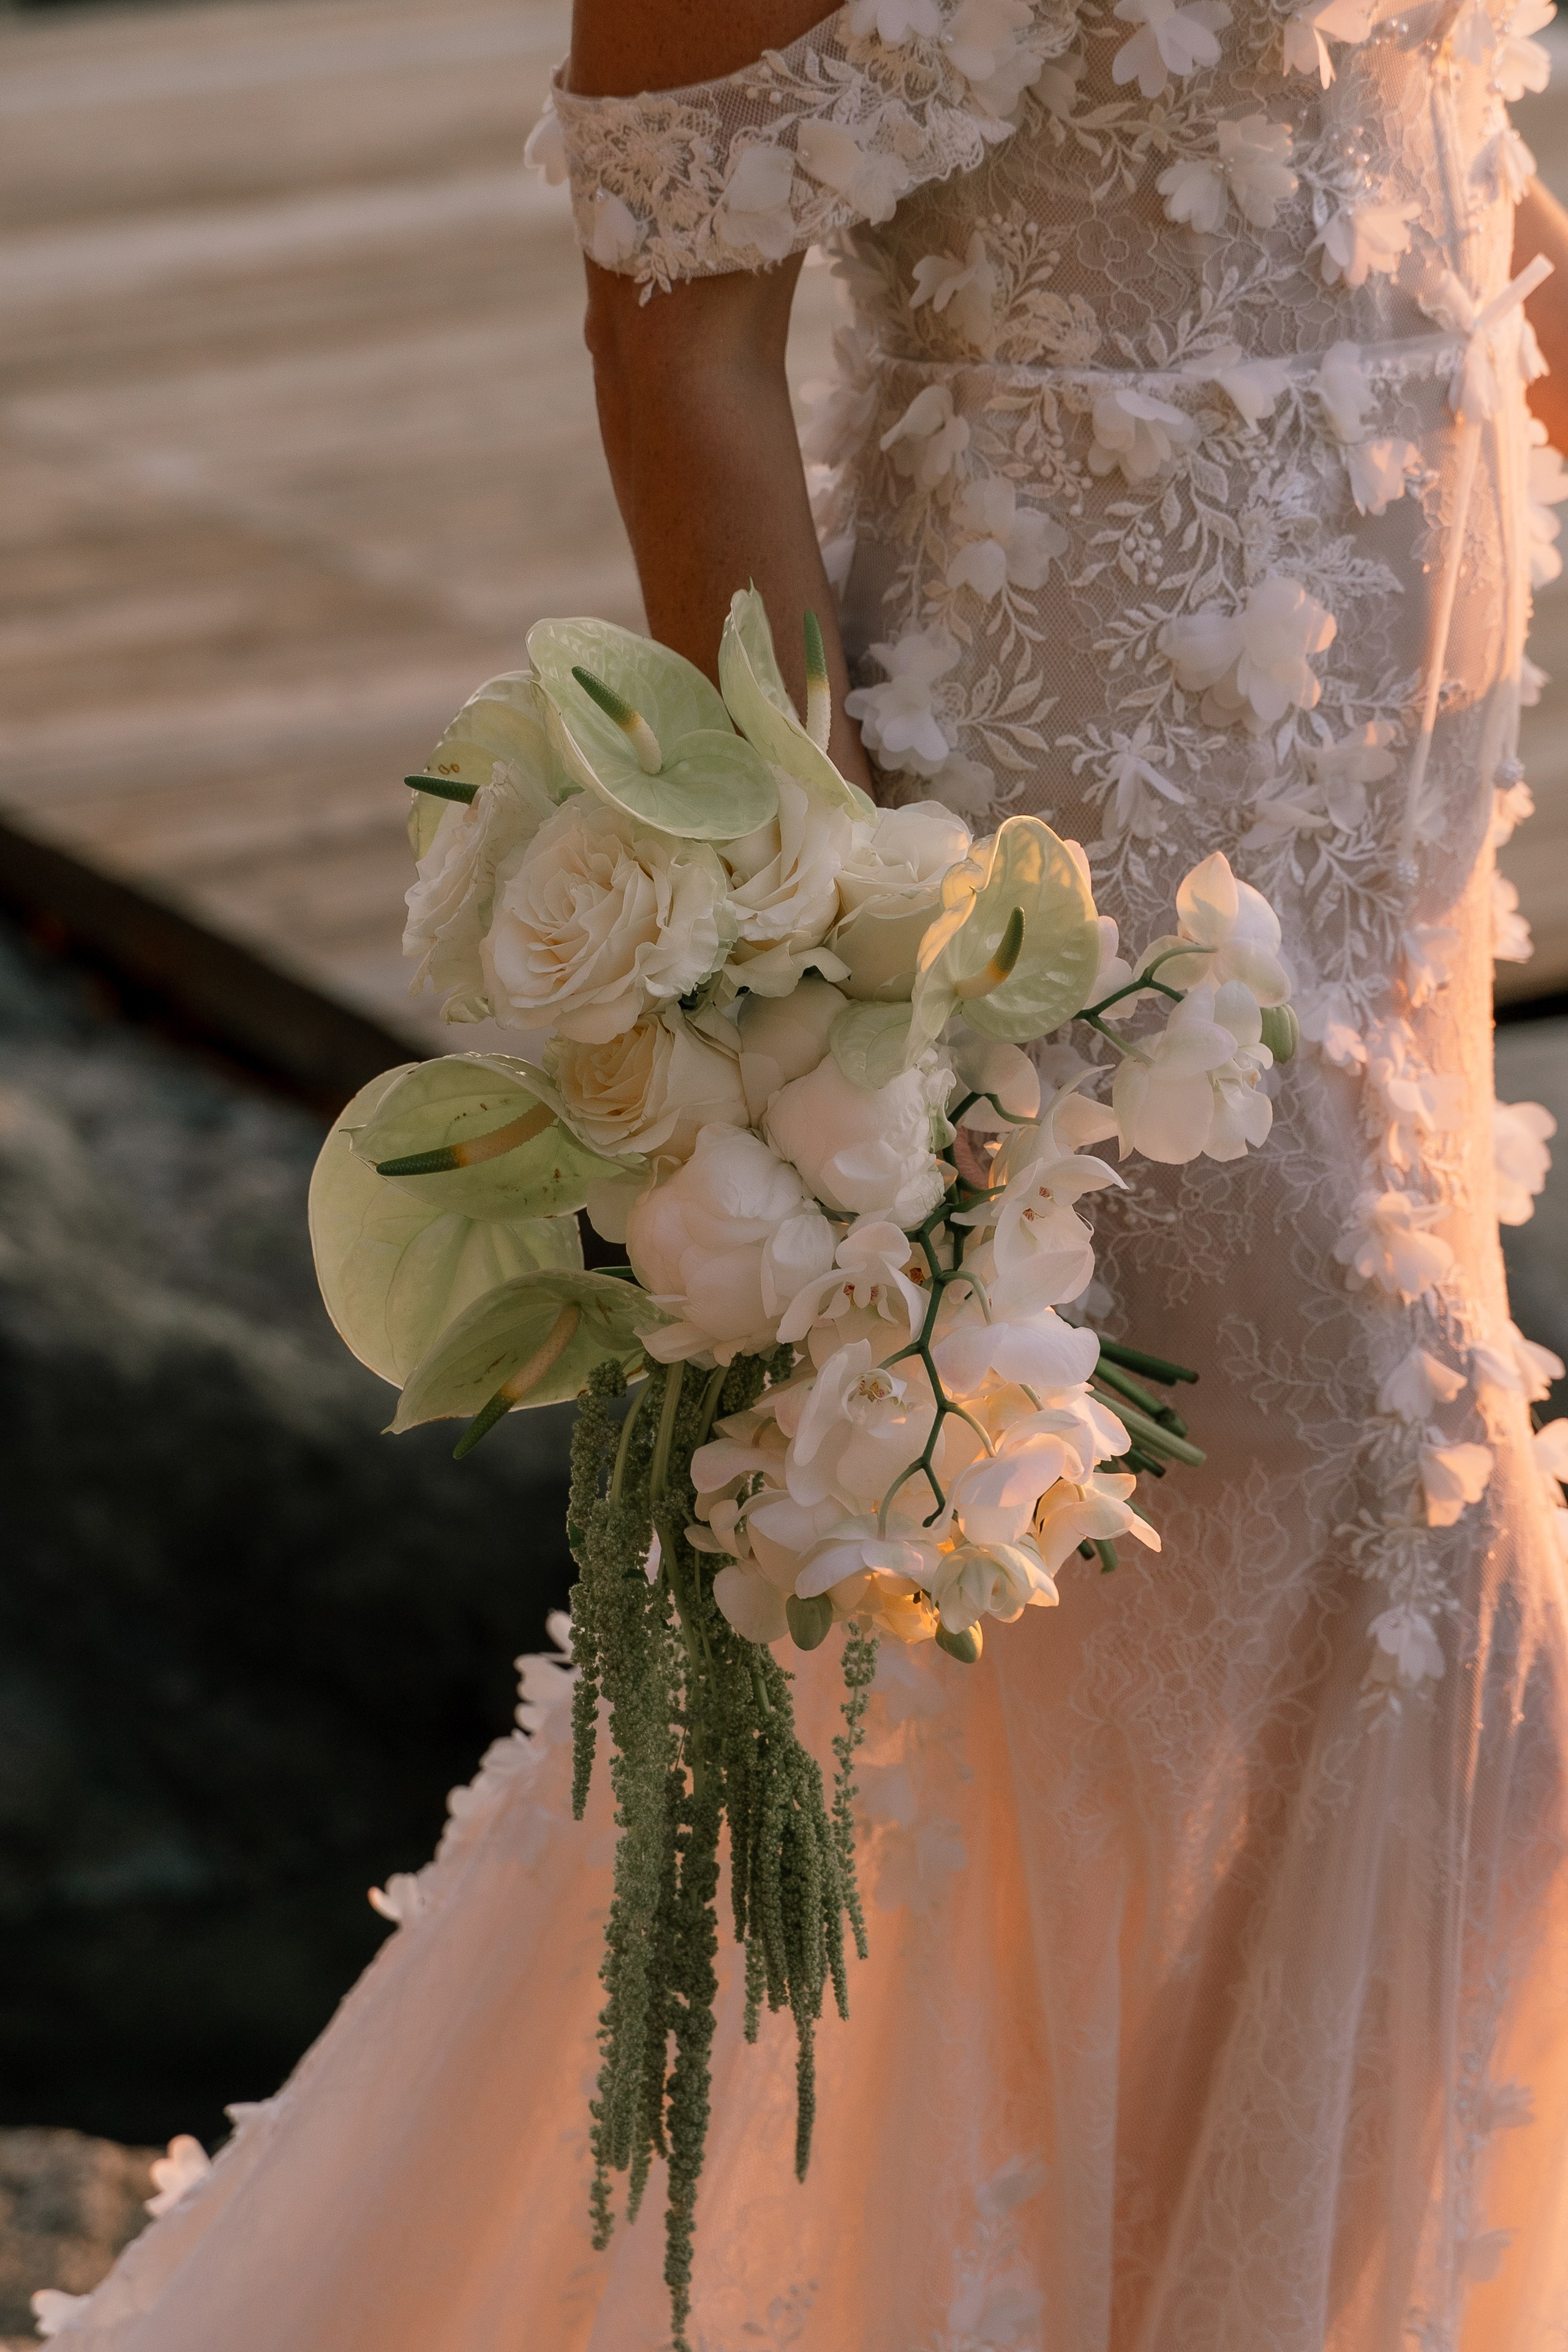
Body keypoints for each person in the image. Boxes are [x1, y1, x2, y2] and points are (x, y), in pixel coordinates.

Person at [42, 0, 1568, 2345]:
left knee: (1231, 1580)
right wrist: (827, 943)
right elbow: (674, 327)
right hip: (1094, 806)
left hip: (1397, 782)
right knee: (1353, 1515)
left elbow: (1396, 124)